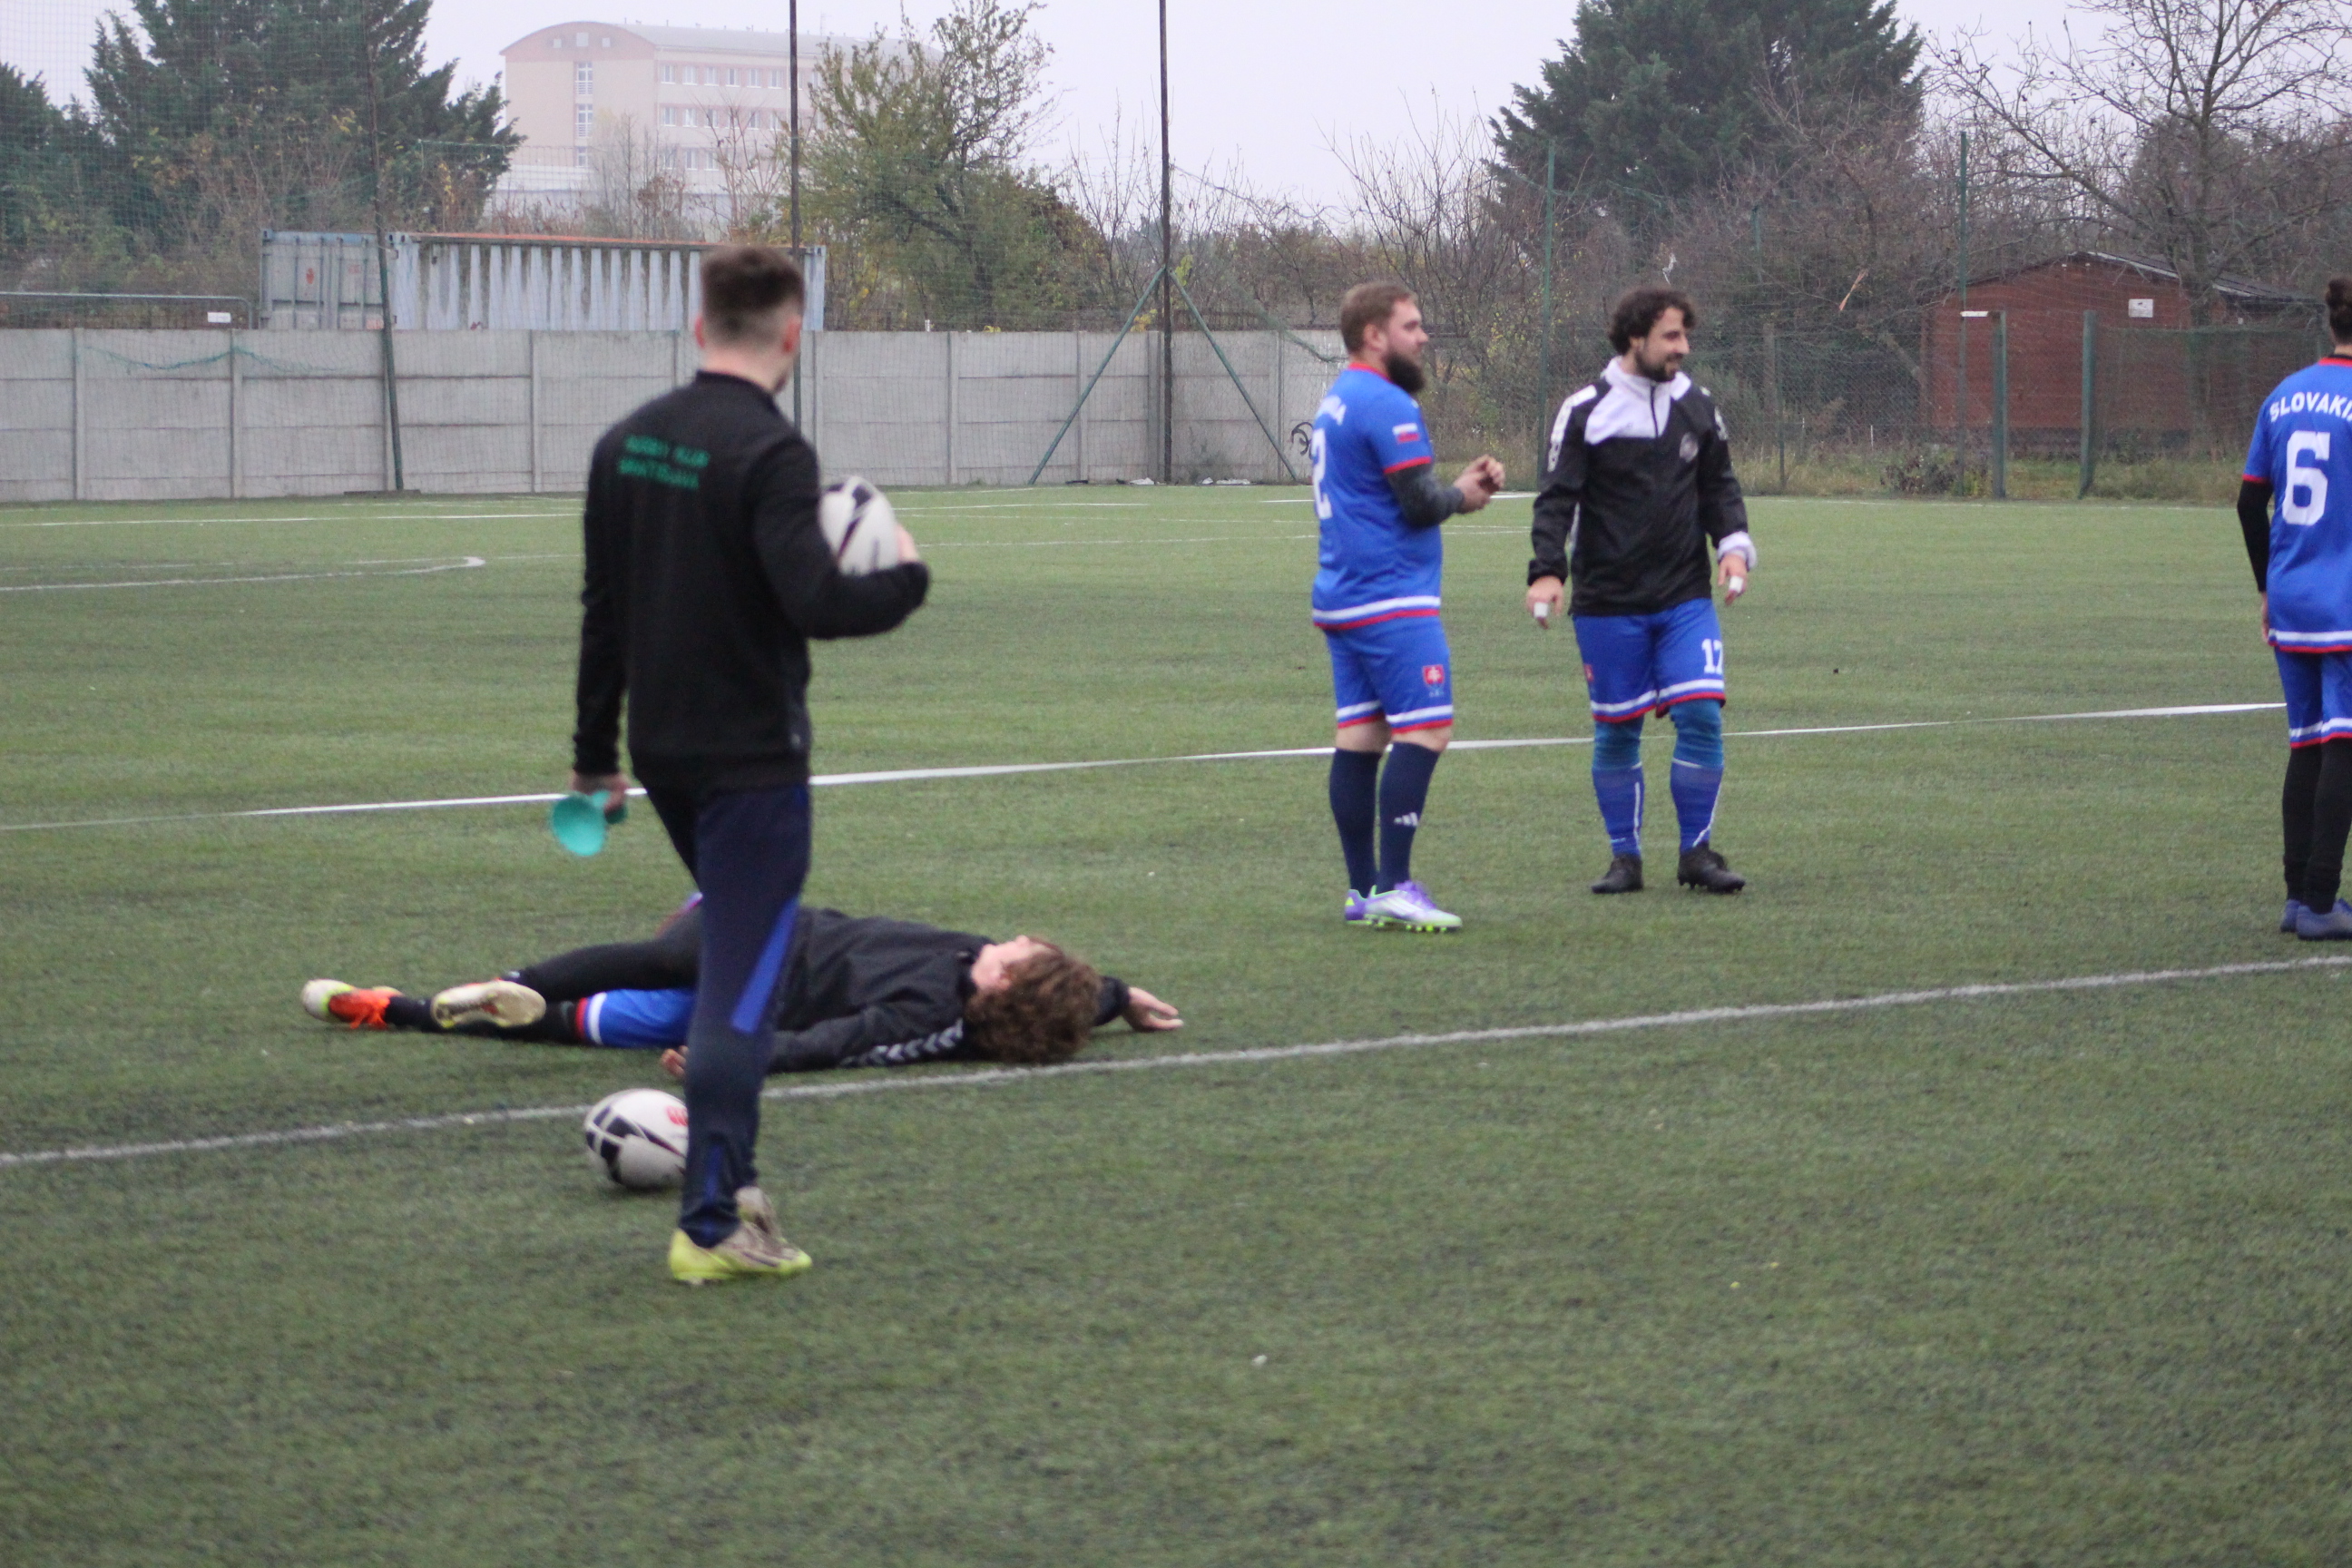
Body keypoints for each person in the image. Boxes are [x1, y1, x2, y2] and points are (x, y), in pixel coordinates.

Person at [570, 245, 930, 1285]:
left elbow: (603, 613)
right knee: (739, 989)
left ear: (698, 328)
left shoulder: (625, 442)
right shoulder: (771, 452)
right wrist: (907, 578)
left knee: (743, 962)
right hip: (753, 766)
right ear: (791, 335)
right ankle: (714, 1222)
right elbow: (819, 603)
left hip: (665, 754)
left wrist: (594, 757)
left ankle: (736, 1191)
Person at [299, 897, 1183, 1068]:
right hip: (760, 926)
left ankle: (410, 1006)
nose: (1014, 936)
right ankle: (492, 988)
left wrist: (732, 1059)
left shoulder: (933, 1017)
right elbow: (1075, 998)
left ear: (1007, 982)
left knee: (609, 1010)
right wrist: (1121, 995)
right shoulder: (980, 969)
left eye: (1021, 947)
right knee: (659, 965)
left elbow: (838, 1042)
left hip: (745, 986)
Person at [1526, 287, 1756, 897]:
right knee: (1618, 729)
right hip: (1608, 601)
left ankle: (1696, 853)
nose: (1683, 348)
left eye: (1685, 335)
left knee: (1701, 714)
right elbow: (1556, 500)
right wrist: (1547, 571)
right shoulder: (1586, 411)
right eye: (1671, 336)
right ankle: (1625, 860)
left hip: (1685, 596)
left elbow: (1720, 487)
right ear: (1635, 338)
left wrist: (1733, 547)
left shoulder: (1697, 406)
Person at [1311, 280, 1505, 933]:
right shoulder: (1386, 401)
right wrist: (1464, 495)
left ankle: (1363, 889)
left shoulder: (1337, 398)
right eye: (1412, 326)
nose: (1423, 338)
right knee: (1426, 731)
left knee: (1361, 738)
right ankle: (1394, 886)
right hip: (1391, 597)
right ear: (1375, 335)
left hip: (1344, 595)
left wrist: (1453, 488)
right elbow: (1419, 502)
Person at [2239, 277, 2352, 940]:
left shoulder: (2284, 395)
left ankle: (2295, 897)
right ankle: (2320, 901)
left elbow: (2249, 501)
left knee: (2308, 741)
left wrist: (2266, 589)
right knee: (2346, 744)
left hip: (2292, 594)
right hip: (2345, 597)